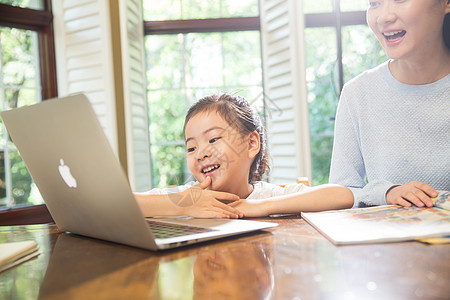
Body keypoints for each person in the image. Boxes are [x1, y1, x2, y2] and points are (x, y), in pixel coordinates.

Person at [135, 93, 353, 218]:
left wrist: (258, 207)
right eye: (191, 148)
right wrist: (183, 205)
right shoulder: (188, 196)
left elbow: (343, 195)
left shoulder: (268, 196)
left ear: (251, 144)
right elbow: (124, 205)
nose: (200, 153)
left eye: (213, 140)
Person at [329, 0, 450, 208]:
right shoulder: (357, 93)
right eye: (374, 3)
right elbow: (341, 192)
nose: (384, 17)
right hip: (389, 240)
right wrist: (386, 192)